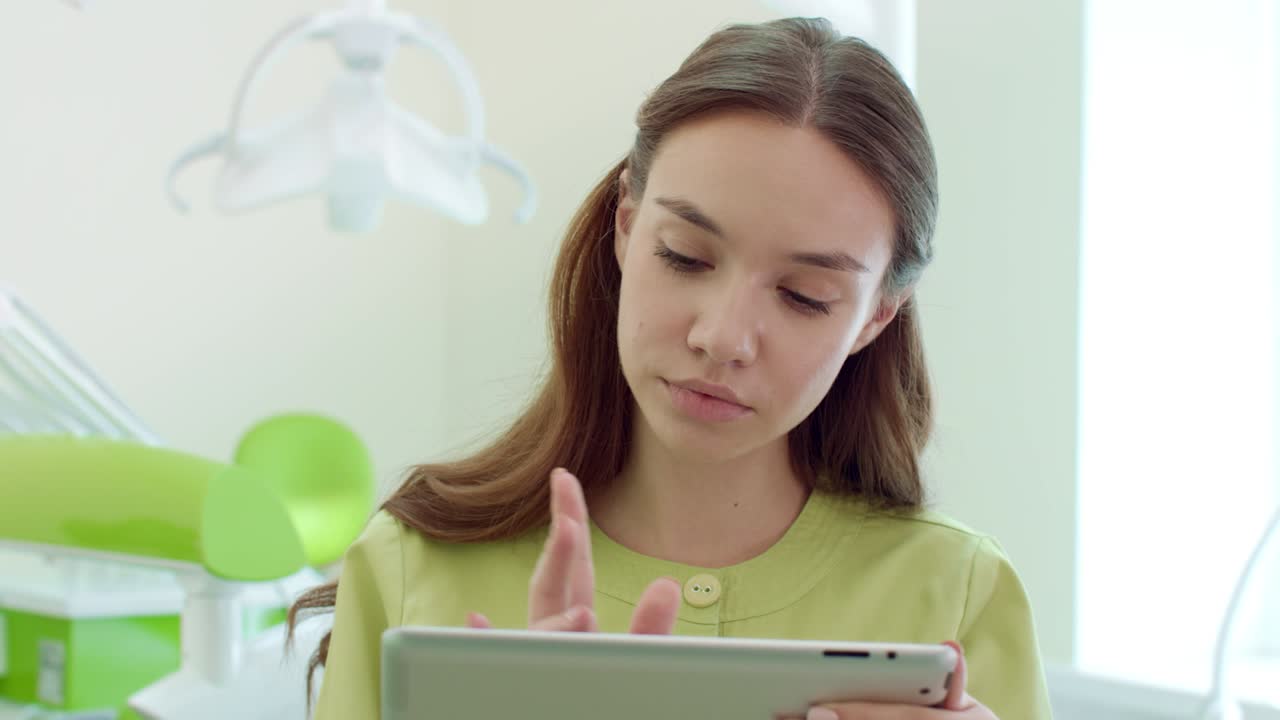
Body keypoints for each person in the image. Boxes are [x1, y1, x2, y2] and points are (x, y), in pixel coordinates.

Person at [288, 16, 1054, 720]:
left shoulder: (957, 593)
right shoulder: (410, 567)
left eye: (804, 295)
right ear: (626, 227)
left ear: (876, 316)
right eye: (685, 257)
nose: (723, 338)